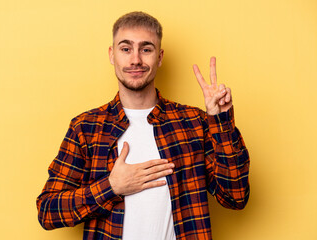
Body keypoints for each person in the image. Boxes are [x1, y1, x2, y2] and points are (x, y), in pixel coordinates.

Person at [36, 11, 250, 240]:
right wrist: (111, 187)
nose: (135, 59)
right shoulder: (86, 128)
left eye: (146, 49)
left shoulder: (194, 123)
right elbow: (48, 211)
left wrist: (221, 120)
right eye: (126, 49)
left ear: (159, 57)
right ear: (112, 55)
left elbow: (235, 197)